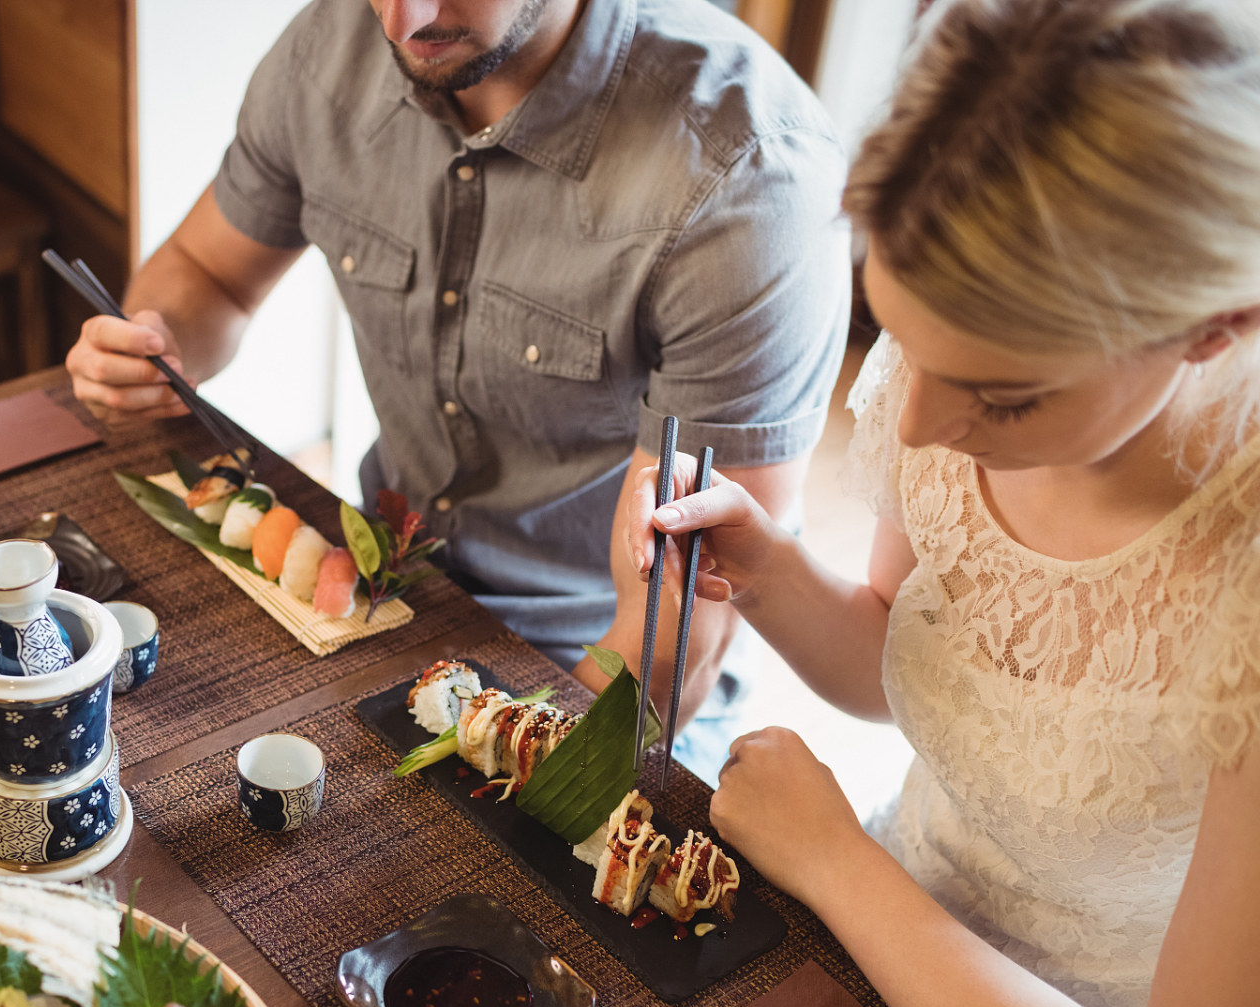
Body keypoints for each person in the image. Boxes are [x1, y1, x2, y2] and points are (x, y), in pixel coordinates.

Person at [630, 0, 1260, 1007]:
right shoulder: (941, 381)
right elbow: (901, 663)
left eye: (1002, 397)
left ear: (1215, 326)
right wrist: (765, 569)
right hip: (875, 964)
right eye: (897, 332)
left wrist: (838, 861)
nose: (913, 423)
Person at [65, 0, 850, 780]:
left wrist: (526, 761)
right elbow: (208, 275)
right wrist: (151, 347)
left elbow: (677, 642)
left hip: (590, 669)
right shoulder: (328, 48)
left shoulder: (746, 176)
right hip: (384, 580)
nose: (401, 23)